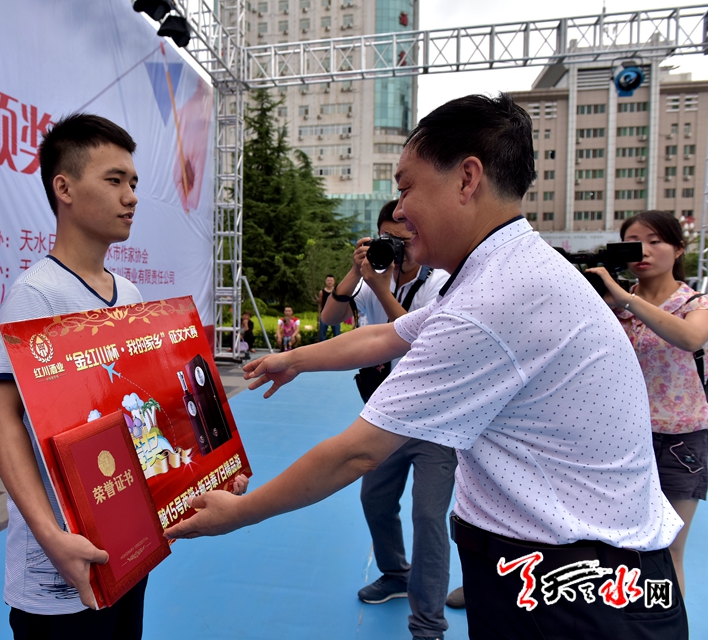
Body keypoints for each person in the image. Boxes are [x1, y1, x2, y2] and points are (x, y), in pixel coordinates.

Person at [166, 94, 686, 640]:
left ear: (467, 179)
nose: (400, 212)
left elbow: (358, 451)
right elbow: (388, 334)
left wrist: (239, 513)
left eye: (407, 187)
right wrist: (293, 358)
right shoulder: (506, 269)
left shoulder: (497, 298)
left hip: (575, 592)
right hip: (568, 574)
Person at [0, 113, 246, 639]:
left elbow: (150, 410)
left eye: (134, 182)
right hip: (62, 562)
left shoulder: (129, 295)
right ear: (64, 189)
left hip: (128, 545)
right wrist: (51, 536)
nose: (131, 197)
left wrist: (210, 473)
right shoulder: (37, 295)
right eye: (114, 180)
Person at [320, 200, 455, 640]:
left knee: (429, 518)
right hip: (387, 412)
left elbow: (421, 341)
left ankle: (428, 626)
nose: (396, 247)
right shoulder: (372, 275)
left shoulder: (441, 281)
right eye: (386, 238)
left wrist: (380, 290)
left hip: (436, 418)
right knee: (375, 499)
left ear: (419, 232)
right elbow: (328, 318)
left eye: (403, 236)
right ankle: (396, 574)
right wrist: (356, 271)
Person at [587, 210, 708, 598]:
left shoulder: (696, 302)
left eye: (656, 241)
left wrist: (626, 299)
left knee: (669, 550)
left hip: (679, 441)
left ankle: (670, 625)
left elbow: (691, 338)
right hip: (620, 439)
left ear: (679, 249)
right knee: (613, 544)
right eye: (633, 243)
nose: (644, 251)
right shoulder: (610, 303)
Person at [317, 275, 340, 341]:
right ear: (325, 281)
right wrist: (320, 314)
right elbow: (320, 303)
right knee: (322, 335)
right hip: (325, 314)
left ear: (334, 282)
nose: (329, 282)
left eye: (331, 280)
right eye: (328, 280)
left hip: (335, 315)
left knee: (337, 334)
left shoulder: (337, 291)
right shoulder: (321, 292)